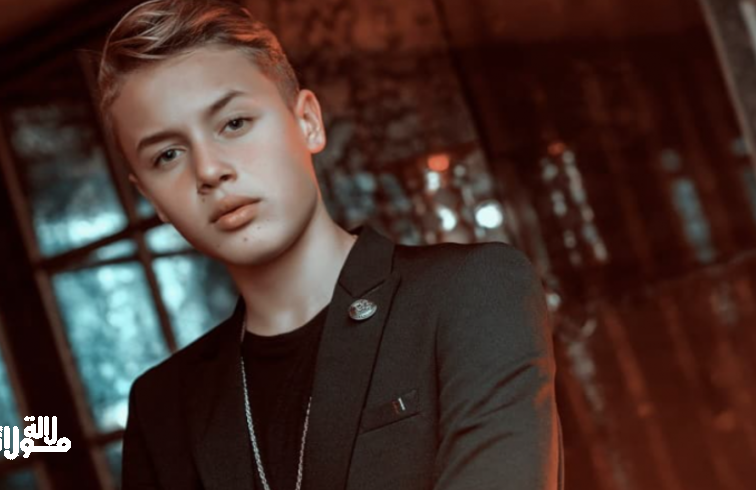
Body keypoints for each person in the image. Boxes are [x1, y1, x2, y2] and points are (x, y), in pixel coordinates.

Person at [97, 0, 564, 488]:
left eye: (234, 123)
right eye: (168, 154)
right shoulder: (161, 407)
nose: (209, 170)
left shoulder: (472, 292)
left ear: (308, 122)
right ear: (151, 198)